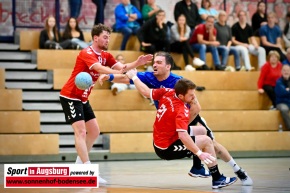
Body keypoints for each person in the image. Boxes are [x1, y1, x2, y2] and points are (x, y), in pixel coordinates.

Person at [99, 51, 253, 186]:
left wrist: (182, 124)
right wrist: (109, 77)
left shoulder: (178, 82)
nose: (155, 65)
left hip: (187, 116)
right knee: (198, 140)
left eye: (159, 62)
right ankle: (203, 170)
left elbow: (196, 108)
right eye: (154, 62)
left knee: (212, 143)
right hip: (171, 120)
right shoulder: (150, 77)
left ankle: (237, 170)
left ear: (168, 66)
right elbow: (128, 78)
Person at [59, 24, 153, 185]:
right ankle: (87, 171)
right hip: (70, 96)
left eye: (108, 37)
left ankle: (78, 166)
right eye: (105, 37)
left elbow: (122, 68)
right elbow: (99, 68)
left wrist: (136, 63)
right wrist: (118, 73)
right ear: (95, 38)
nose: (107, 39)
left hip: (83, 98)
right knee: (81, 132)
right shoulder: (86, 53)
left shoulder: (106, 55)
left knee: (94, 131)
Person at [125, 74, 237, 189]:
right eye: (191, 95)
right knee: (207, 141)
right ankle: (217, 178)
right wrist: (199, 153)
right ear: (181, 95)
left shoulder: (167, 91)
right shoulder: (181, 110)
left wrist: (134, 77)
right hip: (167, 149)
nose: (194, 98)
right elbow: (183, 136)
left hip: (162, 138)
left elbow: (146, 92)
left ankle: (197, 167)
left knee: (201, 130)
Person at [275, 64, 290, 131]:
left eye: (288, 70)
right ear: (281, 72)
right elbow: (281, 93)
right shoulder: (278, 82)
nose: (286, 72)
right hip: (281, 102)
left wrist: (287, 90)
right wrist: (286, 91)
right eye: (284, 70)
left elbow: (285, 92)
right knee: (284, 109)